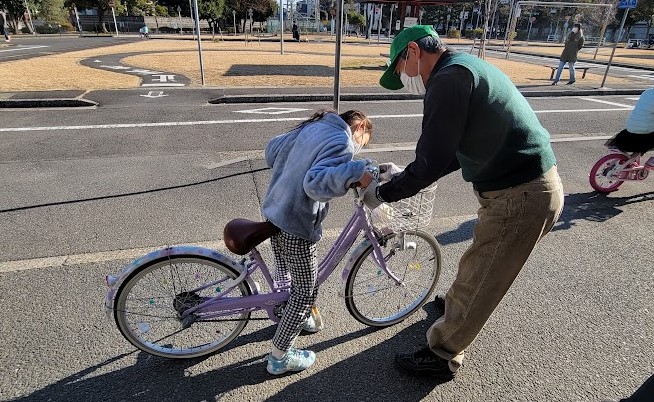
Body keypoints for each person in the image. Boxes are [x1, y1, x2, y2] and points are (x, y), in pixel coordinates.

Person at [363, 25, 564, 380]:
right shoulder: (463, 67)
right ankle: (456, 309)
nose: (402, 75)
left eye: (398, 67)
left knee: (484, 276)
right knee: (479, 263)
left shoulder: (447, 80)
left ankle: (442, 354)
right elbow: (454, 151)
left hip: (521, 194)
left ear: (413, 51)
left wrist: (385, 192)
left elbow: (433, 158)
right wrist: (411, 176)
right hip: (523, 187)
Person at [262, 109, 373, 375]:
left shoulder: (313, 127)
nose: (357, 147)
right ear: (358, 127)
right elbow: (315, 185)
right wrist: (356, 171)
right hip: (295, 223)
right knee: (306, 292)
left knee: (286, 270)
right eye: (362, 140)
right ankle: (280, 357)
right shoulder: (340, 140)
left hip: (274, 208)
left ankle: (293, 315)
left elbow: (272, 150)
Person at [605, 88, 654, 166]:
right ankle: (652, 161)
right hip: (645, 133)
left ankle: (629, 161)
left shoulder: (647, 92)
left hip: (630, 129)